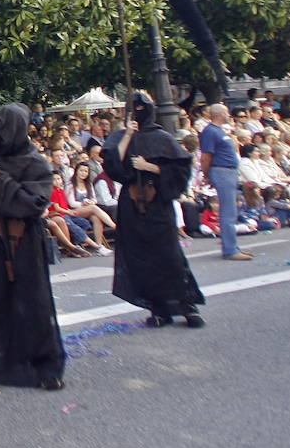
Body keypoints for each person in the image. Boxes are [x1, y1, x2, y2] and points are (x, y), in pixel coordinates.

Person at [0, 105, 66, 390]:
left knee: (35, 298)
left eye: (3, 126)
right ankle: (4, 357)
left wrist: (4, 182)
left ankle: (46, 364)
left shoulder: (36, 163)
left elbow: (35, 204)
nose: (0, 132)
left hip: (26, 238)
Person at [104, 92, 206, 329]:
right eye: (134, 107)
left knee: (169, 256)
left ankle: (186, 305)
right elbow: (113, 165)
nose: (138, 111)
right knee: (141, 259)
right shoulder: (121, 137)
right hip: (132, 205)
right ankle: (158, 308)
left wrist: (150, 167)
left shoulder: (162, 137)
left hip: (158, 203)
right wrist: (128, 134)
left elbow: (180, 172)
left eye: (142, 107)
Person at [199, 104, 249, 260]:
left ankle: (233, 246)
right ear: (219, 114)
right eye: (226, 112)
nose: (229, 114)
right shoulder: (210, 131)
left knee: (231, 211)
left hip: (228, 171)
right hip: (222, 171)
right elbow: (206, 156)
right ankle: (230, 250)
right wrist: (207, 174)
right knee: (228, 212)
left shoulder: (220, 131)